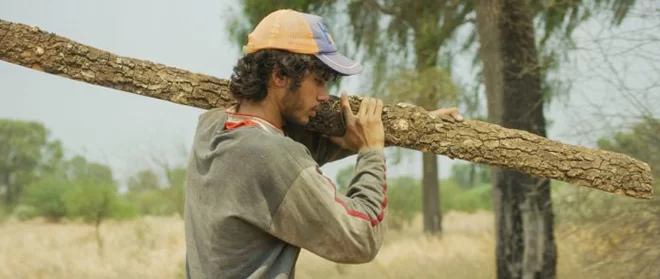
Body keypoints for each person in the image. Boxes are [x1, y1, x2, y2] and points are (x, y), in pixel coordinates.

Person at [183, 9, 463, 279]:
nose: (324, 96)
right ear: (279, 76)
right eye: (318, 81)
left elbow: (302, 145)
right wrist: (371, 153)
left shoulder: (211, 127)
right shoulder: (273, 156)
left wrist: (418, 125)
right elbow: (362, 237)